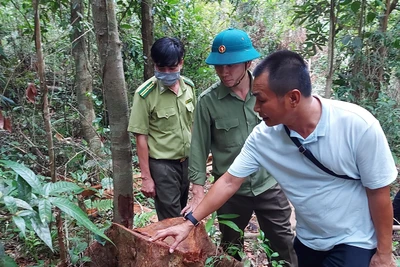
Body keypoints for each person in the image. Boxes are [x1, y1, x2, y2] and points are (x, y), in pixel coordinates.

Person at [151, 50, 398, 267]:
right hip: (308, 240)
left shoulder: (357, 126)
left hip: (353, 240)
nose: (256, 108)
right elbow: (229, 182)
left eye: (261, 99)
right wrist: (189, 222)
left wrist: (384, 254)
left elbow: (378, 192)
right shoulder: (264, 137)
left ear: (293, 98)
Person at [181, 28, 297, 266]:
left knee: (283, 245)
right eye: (219, 66)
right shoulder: (208, 101)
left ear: (247, 63)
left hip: (269, 184)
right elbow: (199, 147)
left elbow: (288, 133)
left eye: (231, 65)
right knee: (230, 247)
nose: (224, 72)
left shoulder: (270, 93)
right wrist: (197, 191)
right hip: (229, 190)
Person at [128, 37, 196, 221]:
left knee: (182, 210)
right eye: (161, 68)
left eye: (172, 68)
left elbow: (192, 125)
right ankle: (173, 249)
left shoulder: (188, 88)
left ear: (181, 63)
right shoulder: (145, 94)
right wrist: (146, 178)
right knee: (170, 218)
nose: (166, 73)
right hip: (163, 165)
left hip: (186, 162)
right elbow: (140, 137)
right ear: (154, 65)